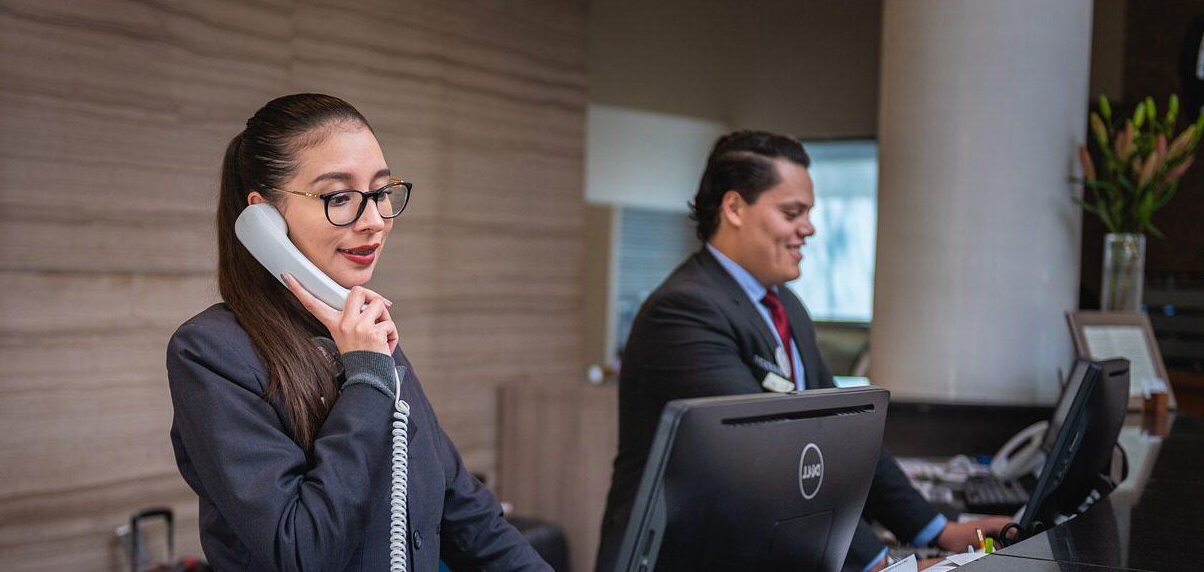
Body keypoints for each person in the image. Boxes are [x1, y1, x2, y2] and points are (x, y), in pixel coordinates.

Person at [166, 93, 549, 571]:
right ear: (262, 217)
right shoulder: (211, 351)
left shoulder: (363, 334)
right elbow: (301, 550)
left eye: (381, 192)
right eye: (339, 197)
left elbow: (466, 513)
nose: (374, 222)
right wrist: (367, 377)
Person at [595, 131, 1009, 571]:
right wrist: (882, 566)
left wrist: (937, 531)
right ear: (734, 207)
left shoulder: (785, 305)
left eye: (809, 213)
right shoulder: (684, 311)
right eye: (792, 212)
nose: (808, 228)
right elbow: (770, 464)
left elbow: (846, 435)